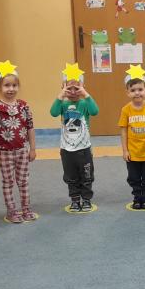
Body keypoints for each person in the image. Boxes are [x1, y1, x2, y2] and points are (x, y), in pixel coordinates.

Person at [0, 63, 36, 222]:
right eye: (6, 85)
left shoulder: (24, 106)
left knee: (23, 181)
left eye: (14, 85)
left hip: (22, 150)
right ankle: (11, 211)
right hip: (4, 152)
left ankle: (26, 209)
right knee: (8, 182)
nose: (11, 89)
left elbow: (30, 128)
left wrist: (32, 149)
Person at [50, 64, 98, 212]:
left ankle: (86, 199)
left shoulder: (84, 103)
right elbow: (53, 112)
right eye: (68, 88)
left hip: (84, 148)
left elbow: (95, 111)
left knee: (86, 174)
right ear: (63, 87)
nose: (72, 91)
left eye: (76, 88)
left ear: (82, 88)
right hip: (67, 149)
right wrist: (60, 96)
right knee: (70, 176)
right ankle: (75, 199)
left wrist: (86, 95)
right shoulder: (63, 104)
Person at [118, 72, 145, 209]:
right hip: (132, 152)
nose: (137, 93)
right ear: (127, 92)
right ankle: (137, 197)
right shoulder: (126, 110)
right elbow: (123, 131)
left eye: (140, 89)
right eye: (133, 90)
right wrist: (125, 150)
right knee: (133, 177)